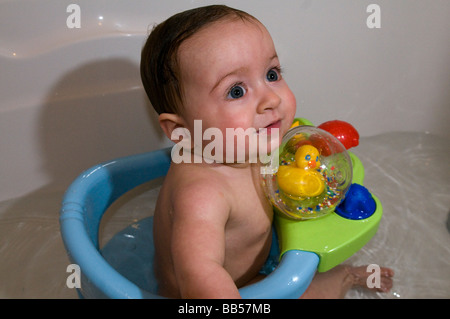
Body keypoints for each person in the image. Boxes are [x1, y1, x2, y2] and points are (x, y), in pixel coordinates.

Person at [140, 5, 393, 298]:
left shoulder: (244, 144)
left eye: (272, 74)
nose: (270, 98)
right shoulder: (202, 194)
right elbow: (199, 274)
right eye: (236, 91)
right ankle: (344, 277)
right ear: (182, 132)